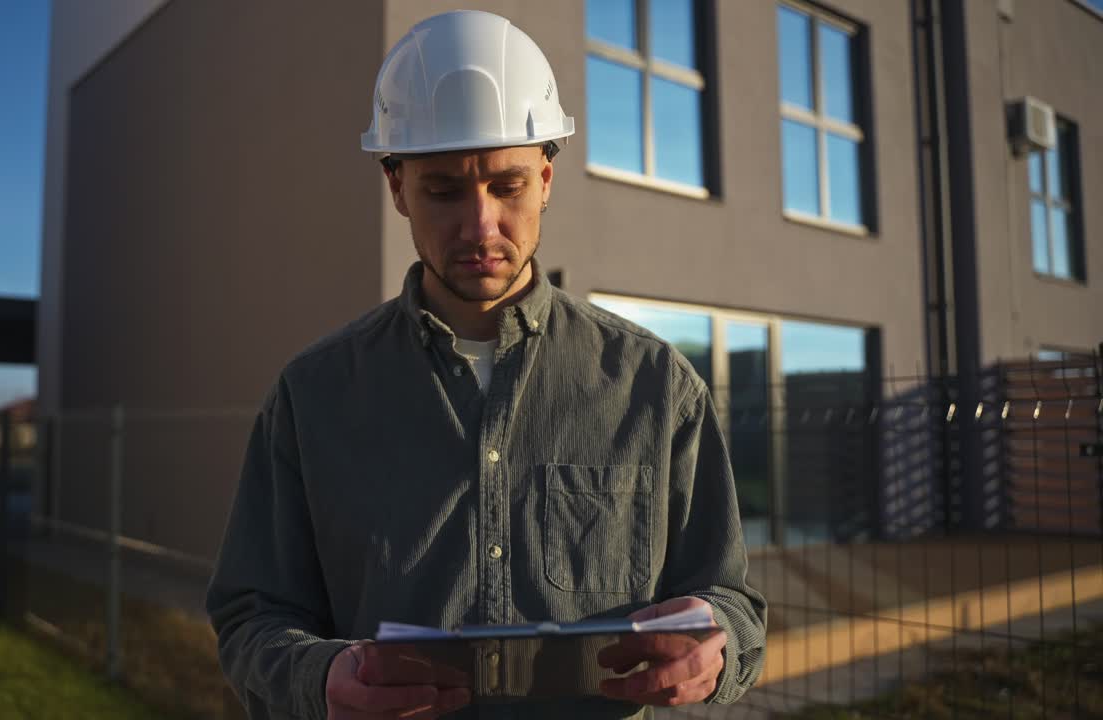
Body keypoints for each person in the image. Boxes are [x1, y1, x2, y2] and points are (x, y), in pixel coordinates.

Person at [207, 10, 766, 719]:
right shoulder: (311, 398)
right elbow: (252, 616)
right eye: (444, 190)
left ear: (547, 179)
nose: (480, 227)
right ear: (397, 186)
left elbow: (733, 600)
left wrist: (716, 647)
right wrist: (320, 679)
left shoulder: (656, 388)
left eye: (507, 186)